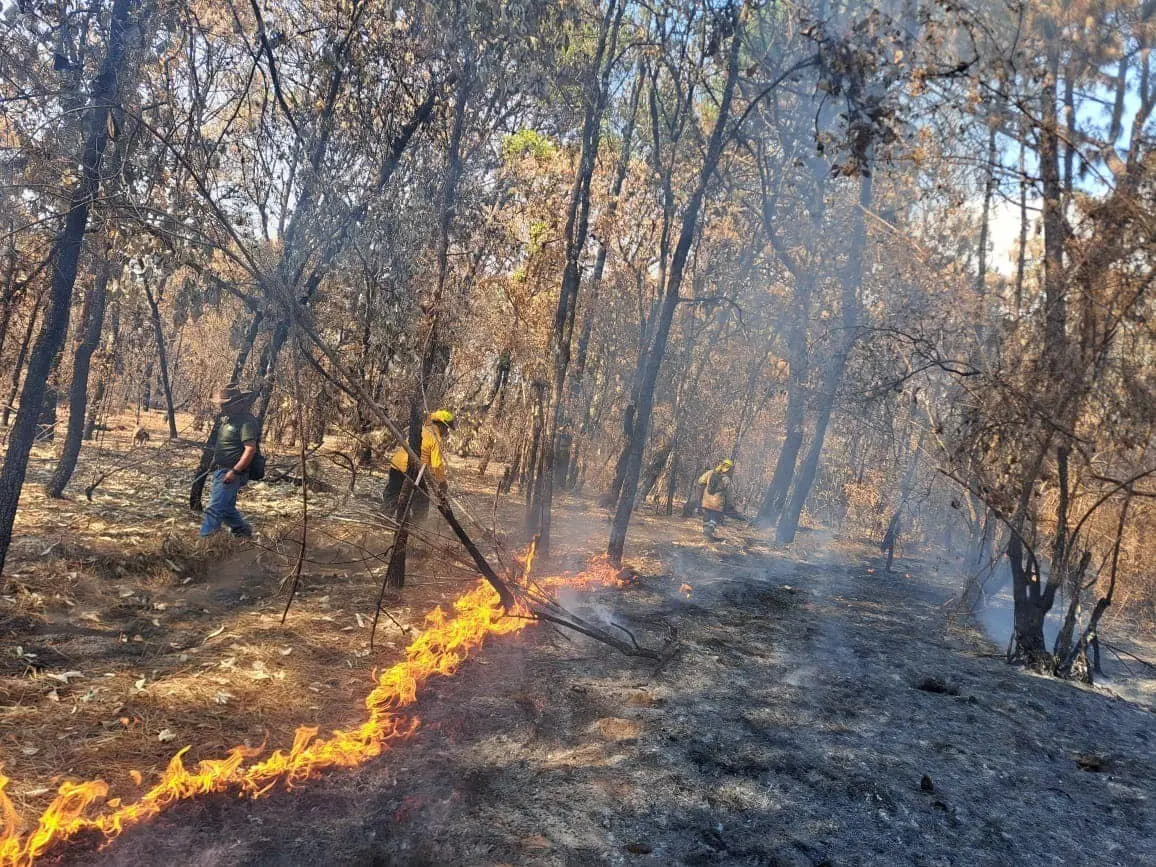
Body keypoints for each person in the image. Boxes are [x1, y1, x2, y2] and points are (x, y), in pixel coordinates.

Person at [200, 383, 260, 538]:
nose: (223, 408)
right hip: (221, 469)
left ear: (239, 403)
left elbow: (250, 449)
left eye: (226, 405)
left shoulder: (246, 422)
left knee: (215, 508)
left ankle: (206, 541)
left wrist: (235, 471)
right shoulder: (228, 420)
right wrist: (215, 461)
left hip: (232, 471)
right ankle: (243, 532)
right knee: (226, 508)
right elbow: (225, 444)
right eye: (222, 405)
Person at [384, 409, 455, 520]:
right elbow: (437, 465)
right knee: (422, 501)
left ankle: (383, 519)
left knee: (392, 494)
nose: (446, 432)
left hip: (396, 466)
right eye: (447, 428)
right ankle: (418, 525)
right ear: (441, 426)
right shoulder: (436, 438)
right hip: (412, 469)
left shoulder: (420, 430)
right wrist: (442, 482)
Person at [696, 458, 737, 541]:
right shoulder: (727, 480)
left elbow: (700, 481)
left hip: (705, 503)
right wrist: (730, 506)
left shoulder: (710, 473)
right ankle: (708, 535)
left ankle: (705, 538)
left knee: (706, 520)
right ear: (728, 469)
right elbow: (729, 495)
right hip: (717, 506)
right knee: (713, 520)